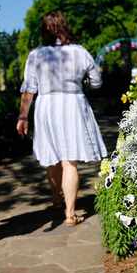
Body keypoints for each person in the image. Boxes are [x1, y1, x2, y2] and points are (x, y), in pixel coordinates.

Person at [17, 11, 107, 226]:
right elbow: (97, 81)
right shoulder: (80, 52)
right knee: (70, 161)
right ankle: (70, 212)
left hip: (46, 106)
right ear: (65, 27)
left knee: (52, 155)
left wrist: (22, 116)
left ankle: (57, 198)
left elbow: (29, 89)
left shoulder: (36, 55)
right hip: (73, 104)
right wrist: (83, 83)